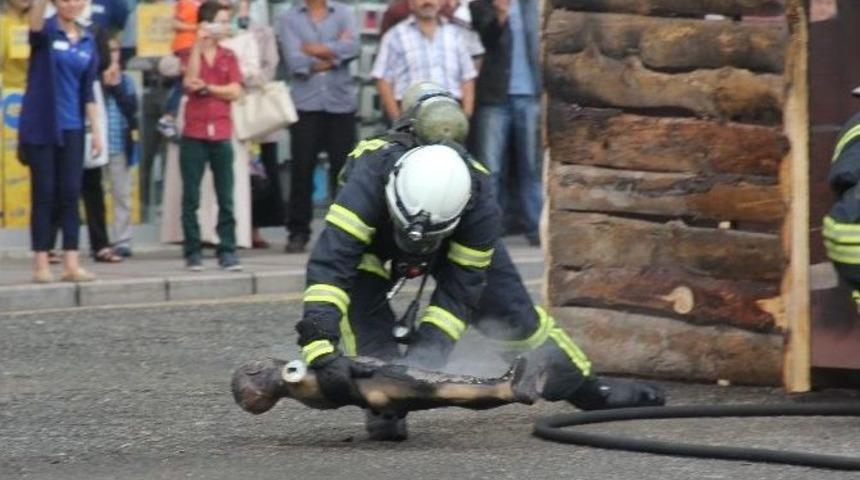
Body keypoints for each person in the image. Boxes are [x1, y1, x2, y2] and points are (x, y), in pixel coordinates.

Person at [293, 82, 665, 441]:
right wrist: (320, 348)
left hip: (451, 241)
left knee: (515, 318)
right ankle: (385, 405)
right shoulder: (369, 174)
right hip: (373, 243)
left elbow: (461, 291)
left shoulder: (478, 198)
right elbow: (331, 265)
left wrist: (427, 359)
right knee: (366, 316)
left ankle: (588, 389)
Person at [19, 0, 101, 283]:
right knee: (44, 193)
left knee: (70, 193)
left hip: (74, 128)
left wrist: (97, 131)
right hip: (42, 126)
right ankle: (41, 263)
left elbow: (87, 89)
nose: (72, 4)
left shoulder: (89, 38)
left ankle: (71, 262)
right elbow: (34, 27)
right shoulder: (47, 31)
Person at [278, 0, 359, 253]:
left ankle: (344, 233)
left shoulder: (345, 13)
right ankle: (298, 232)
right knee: (302, 170)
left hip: (340, 103)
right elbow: (294, 61)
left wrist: (314, 50)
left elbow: (353, 47)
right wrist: (334, 54)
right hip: (306, 105)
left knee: (344, 171)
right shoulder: (289, 17)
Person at [470, 0, 542, 246]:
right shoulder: (481, 5)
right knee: (491, 168)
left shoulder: (535, 5)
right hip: (493, 95)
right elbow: (483, 44)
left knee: (531, 167)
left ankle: (537, 227)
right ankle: (491, 229)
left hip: (531, 93)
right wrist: (500, 14)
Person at [178, 0, 242, 271]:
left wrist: (209, 88)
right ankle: (192, 251)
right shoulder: (187, 52)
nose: (226, 27)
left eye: (228, 21)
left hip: (222, 132)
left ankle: (227, 249)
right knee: (191, 196)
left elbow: (235, 91)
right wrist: (197, 43)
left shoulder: (230, 55)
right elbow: (189, 82)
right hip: (194, 131)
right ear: (206, 23)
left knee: (225, 196)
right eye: (221, 21)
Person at [371, 0, 477, 123]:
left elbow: (468, 77)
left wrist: (466, 115)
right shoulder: (395, 36)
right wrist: (397, 118)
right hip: (410, 114)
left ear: (441, 3)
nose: (428, 2)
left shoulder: (455, 35)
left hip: (450, 114)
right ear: (411, 4)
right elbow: (383, 79)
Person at [101, 35, 139, 258]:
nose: (112, 54)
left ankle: (123, 239)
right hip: (95, 145)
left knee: (121, 194)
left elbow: (131, 110)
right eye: (108, 50)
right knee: (93, 193)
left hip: (118, 144)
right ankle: (100, 239)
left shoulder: (126, 81)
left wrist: (115, 86)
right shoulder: (93, 77)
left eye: (115, 50)